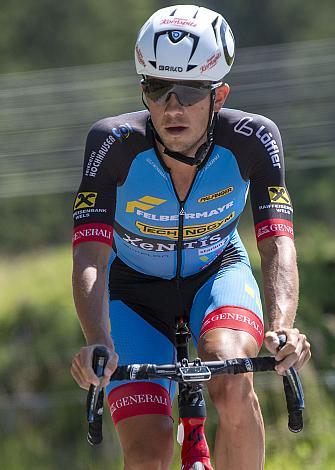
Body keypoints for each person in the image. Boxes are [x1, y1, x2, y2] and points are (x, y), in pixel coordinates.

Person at [70, 5, 311, 470]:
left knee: (232, 376)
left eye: (188, 91)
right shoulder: (112, 143)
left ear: (219, 94)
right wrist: (97, 339)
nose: (172, 107)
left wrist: (282, 326)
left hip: (216, 273)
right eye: (157, 89)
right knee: (147, 453)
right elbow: (91, 252)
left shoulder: (254, 138)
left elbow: (277, 240)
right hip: (132, 292)